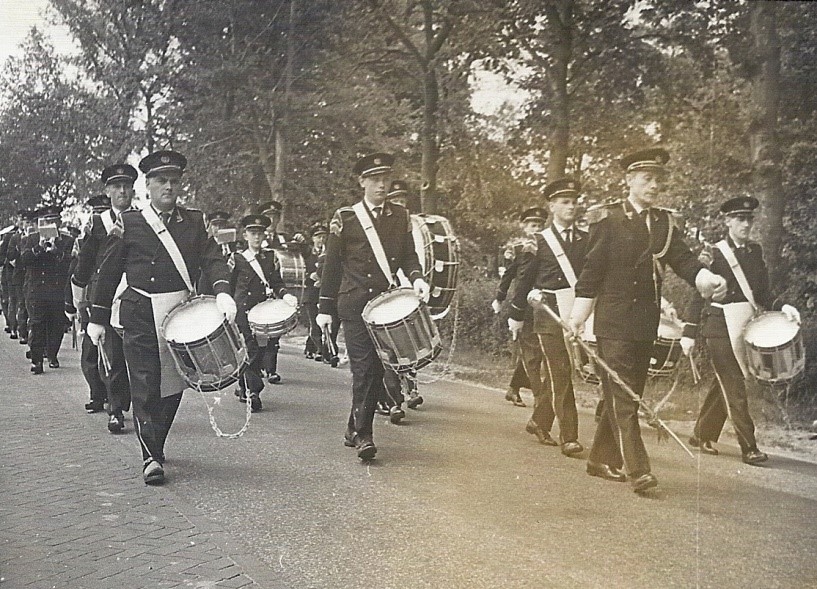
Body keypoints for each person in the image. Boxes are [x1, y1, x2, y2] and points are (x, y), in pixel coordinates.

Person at [567, 147, 727, 493]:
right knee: (626, 396)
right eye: (647, 179)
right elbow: (592, 274)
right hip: (612, 323)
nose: (654, 186)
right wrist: (579, 317)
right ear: (629, 180)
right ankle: (638, 469)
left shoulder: (664, 223)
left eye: (658, 180)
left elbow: (682, 260)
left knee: (626, 391)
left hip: (645, 324)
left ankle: (599, 459)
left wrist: (704, 278)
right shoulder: (606, 219)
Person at [87, 150, 237, 485]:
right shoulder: (131, 222)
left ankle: (156, 440)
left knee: (172, 386)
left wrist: (223, 290)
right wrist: (96, 318)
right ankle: (150, 456)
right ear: (149, 186)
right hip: (139, 311)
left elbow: (213, 259)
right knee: (143, 385)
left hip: (180, 316)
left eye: (173, 181)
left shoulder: (194, 222)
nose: (168, 187)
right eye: (161, 181)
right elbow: (108, 271)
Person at [316, 152, 430, 460]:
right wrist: (324, 307)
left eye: (386, 179)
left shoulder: (400, 216)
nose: (382, 185)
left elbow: (408, 256)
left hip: (384, 307)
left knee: (379, 370)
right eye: (375, 179)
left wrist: (417, 277)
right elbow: (332, 266)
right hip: (353, 305)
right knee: (364, 369)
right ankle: (364, 436)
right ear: (362, 182)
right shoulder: (346, 218)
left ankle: (354, 425)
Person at [683, 196, 800, 465]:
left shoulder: (754, 252)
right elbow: (697, 295)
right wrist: (688, 331)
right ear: (728, 221)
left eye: (749, 219)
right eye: (740, 219)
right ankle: (749, 447)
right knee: (735, 382)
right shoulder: (712, 253)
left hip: (743, 324)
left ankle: (702, 433)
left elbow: (761, 293)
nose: (746, 224)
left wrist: (784, 307)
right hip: (719, 325)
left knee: (725, 380)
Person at [508, 179, 587, 456]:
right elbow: (524, 279)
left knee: (566, 371)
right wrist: (516, 314)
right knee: (560, 371)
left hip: (577, 310)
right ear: (552, 206)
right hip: (548, 311)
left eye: (574, 201)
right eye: (565, 202)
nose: (571, 206)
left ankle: (539, 421)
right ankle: (570, 437)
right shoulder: (538, 241)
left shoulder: (585, 238)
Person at [71, 166, 136, 429]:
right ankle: (116, 409)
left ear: (133, 190)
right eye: (117, 186)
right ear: (108, 191)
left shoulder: (141, 220)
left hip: (133, 295)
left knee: (136, 354)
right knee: (113, 353)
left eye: (127, 186)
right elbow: (85, 263)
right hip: (105, 297)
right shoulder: (99, 224)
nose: (122, 191)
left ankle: (129, 402)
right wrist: (76, 300)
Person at [231, 213, 297, 412]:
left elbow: (276, 282)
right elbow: (230, 284)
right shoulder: (237, 258)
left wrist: (285, 295)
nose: (257, 237)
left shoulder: (270, 257)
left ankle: (243, 386)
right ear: (245, 235)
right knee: (250, 348)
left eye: (260, 233)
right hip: (243, 311)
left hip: (263, 312)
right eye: (252, 233)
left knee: (260, 352)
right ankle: (254, 392)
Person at [492, 211, 549, 408]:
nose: (537, 228)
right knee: (533, 351)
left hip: (544, 305)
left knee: (535, 350)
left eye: (540, 224)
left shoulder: (549, 247)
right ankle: (540, 398)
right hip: (523, 306)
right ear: (524, 227)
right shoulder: (516, 249)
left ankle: (513, 388)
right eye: (532, 225)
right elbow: (508, 276)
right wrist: (500, 298)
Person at [20, 206, 74, 374]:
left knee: (56, 325)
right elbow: (24, 260)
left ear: (59, 222)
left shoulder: (66, 240)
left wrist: (56, 251)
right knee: (37, 325)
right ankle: (37, 361)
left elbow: (69, 264)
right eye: (47, 222)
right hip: (37, 289)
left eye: (54, 221)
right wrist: (39, 248)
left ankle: (52, 355)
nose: (51, 225)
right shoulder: (31, 239)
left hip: (56, 290)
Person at [302, 221, 327, 361]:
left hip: (323, 293)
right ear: (313, 239)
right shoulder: (307, 254)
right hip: (311, 294)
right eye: (318, 237)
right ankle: (320, 350)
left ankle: (309, 347)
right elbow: (299, 270)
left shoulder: (329, 254)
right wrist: (309, 275)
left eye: (323, 236)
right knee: (314, 322)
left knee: (319, 322)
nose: (321, 240)